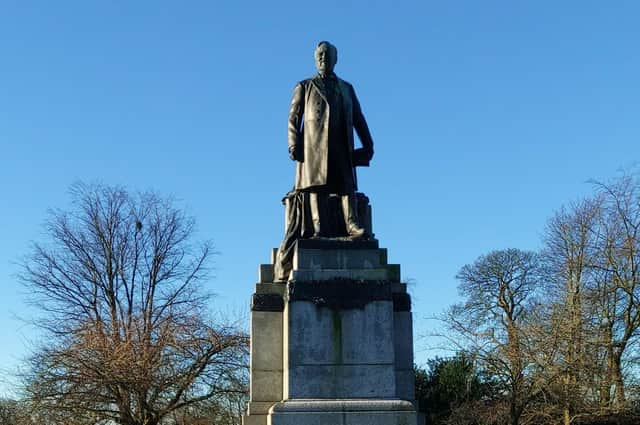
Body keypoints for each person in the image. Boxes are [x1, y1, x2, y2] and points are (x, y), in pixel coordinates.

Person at [287, 41, 374, 238]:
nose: (323, 58)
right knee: (316, 186)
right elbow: (293, 117)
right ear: (315, 59)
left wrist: (368, 143)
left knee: (346, 185)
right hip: (314, 146)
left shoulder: (346, 88)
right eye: (320, 55)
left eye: (327, 55)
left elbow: (359, 118)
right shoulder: (305, 86)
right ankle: (319, 228)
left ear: (335, 59)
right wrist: (294, 143)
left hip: (341, 143)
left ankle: (352, 226)